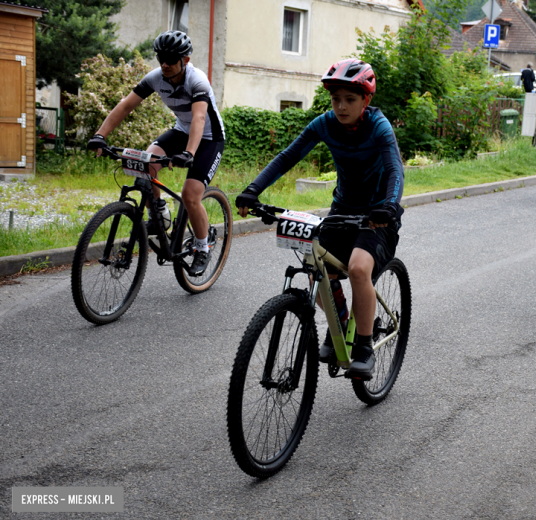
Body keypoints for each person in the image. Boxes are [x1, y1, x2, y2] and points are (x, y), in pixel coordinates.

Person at [235, 59, 404, 380]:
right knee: (316, 267)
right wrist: (253, 189)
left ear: (366, 100)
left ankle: (364, 347)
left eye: (350, 99)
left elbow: (395, 168)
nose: (341, 106)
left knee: (357, 268)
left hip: (378, 216)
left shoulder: (378, 126)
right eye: (335, 99)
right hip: (342, 210)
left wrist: (390, 206)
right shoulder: (324, 124)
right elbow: (289, 155)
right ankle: (340, 325)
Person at [87, 31, 225, 275]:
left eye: (171, 59)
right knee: (145, 165)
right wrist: (100, 135)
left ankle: (202, 248)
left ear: (186, 60)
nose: (165, 64)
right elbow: (125, 105)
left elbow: (200, 118)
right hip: (182, 131)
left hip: (209, 138)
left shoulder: (197, 80)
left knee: (190, 194)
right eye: (161, 58)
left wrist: (189, 153)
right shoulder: (155, 78)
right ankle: (160, 213)